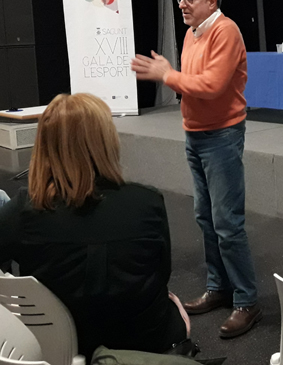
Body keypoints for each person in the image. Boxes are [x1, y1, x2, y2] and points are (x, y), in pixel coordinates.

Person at [0, 93, 190, 358]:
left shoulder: (24, 210)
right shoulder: (147, 202)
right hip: (144, 347)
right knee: (174, 305)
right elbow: (161, 274)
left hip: (60, 347)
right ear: (107, 141)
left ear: (44, 145)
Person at [131, 0, 261, 338]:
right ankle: (219, 288)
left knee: (227, 223)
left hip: (221, 136)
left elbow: (212, 85)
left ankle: (247, 301)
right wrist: (174, 78)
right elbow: (193, 85)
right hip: (196, 135)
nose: (182, 4)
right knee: (205, 217)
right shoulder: (192, 33)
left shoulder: (226, 31)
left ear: (211, 1)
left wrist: (167, 75)